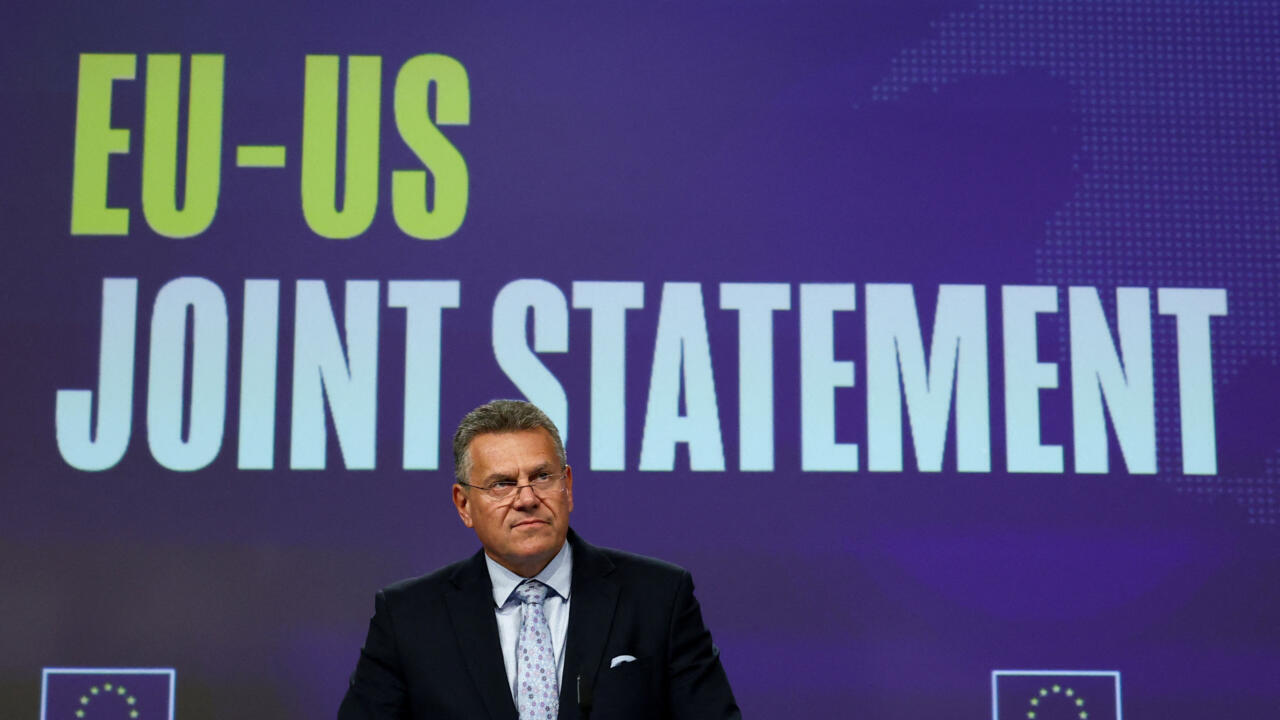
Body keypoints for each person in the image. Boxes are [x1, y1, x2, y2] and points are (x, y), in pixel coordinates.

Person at [338, 399, 741, 719]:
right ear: (464, 504)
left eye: (542, 477)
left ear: (568, 486)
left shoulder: (659, 598)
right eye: (502, 484)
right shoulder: (408, 617)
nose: (527, 498)